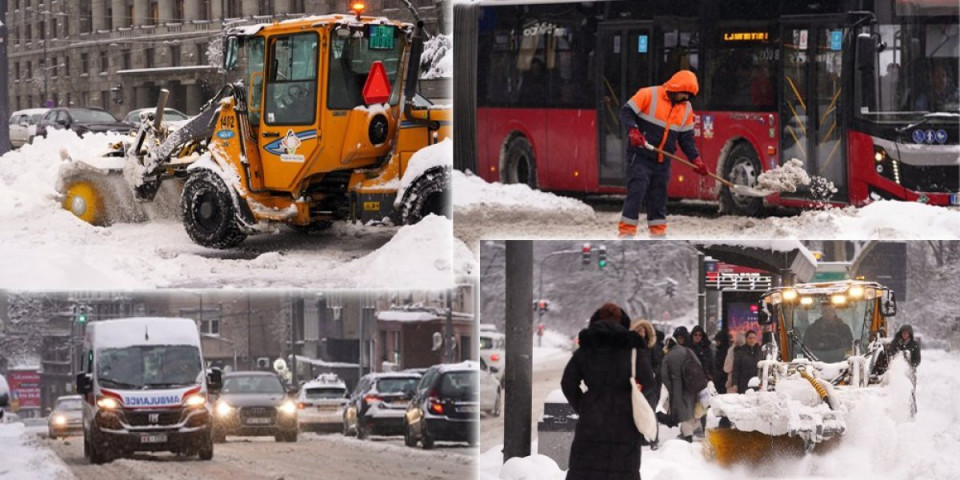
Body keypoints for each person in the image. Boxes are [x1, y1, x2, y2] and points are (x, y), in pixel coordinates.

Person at [561, 303, 655, 480]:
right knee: (623, 470)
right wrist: (632, 395)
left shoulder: (586, 348)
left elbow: (568, 382)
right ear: (623, 322)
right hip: (626, 420)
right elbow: (649, 382)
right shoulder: (633, 348)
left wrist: (584, 405)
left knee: (587, 469)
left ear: (597, 321)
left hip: (592, 421)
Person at [617, 70, 708, 238]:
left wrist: (696, 160)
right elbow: (626, 112)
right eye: (683, 94)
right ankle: (626, 233)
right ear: (674, 89)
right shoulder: (648, 94)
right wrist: (633, 130)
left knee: (659, 197)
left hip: (662, 160)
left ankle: (658, 234)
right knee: (637, 191)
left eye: (688, 96)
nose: (685, 99)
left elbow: (686, 139)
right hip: (640, 156)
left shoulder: (686, 109)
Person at [660, 331, 700, 443]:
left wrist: (671, 387)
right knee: (691, 408)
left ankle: (688, 435)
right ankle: (695, 430)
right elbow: (698, 365)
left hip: (677, 386)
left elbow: (664, 375)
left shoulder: (668, 356)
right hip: (691, 384)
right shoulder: (688, 350)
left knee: (684, 411)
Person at [630, 319, 661, 409]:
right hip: (636, 383)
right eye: (639, 330)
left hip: (650, 384)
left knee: (649, 410)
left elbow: (658, 363)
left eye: (643, 331)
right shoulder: (631, 348)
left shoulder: (651, 347)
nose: (642, 333)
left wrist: (653, 373)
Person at [713, 329, 731, 394]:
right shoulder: (720, 350)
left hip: (723, 379)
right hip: (720, 378)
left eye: (718, 341)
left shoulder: (724, 351)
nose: (716, 343)